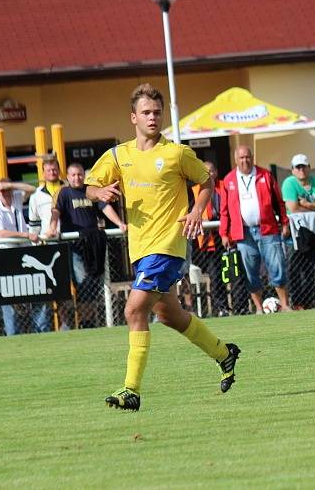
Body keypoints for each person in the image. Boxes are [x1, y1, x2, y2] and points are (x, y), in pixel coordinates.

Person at [85, 83, 240, 411]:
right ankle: (224, 354)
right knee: (169, 314)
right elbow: (90, 185)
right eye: (146, 112)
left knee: (133, 310)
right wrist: (98, 194)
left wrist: (197, 209)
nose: (152, 117)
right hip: (140, 249)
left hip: (168, 245)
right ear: (133, 117)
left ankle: (131, 390)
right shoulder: (119, 155)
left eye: (157, 112)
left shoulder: (176, 153)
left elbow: (206, 181)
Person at [46, 162, 126, 328]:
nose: (77, 178)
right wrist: (52, 227)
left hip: (93, 244)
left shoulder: (91, 191)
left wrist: (120, 223)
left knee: (93, 283)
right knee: (82, 283)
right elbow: (55, 212)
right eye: (73, 175)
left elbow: (105, 207)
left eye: (80, 174)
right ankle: (75, 322)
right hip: (75, 246)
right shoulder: (63, 193)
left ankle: (87, 322)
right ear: (67, 177)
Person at [219, 145, 291, 314]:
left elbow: (279, 202)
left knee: (277, 265)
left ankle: (285, 305)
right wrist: (224, 233)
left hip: (268, 229)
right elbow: (224, 211)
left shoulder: (265, 175)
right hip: (243, 234)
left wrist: (285, 222)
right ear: (236, 160)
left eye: (248, 157)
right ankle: (259, 309)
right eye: (242, 158)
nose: (245, 160)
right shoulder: (228, 180)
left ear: (252, 157)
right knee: (250, 272)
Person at [281, 154, 315, 310]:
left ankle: (308, 302)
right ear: (293, 170)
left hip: (312, 233)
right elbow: (293, 207)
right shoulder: (289, 183)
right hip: (295, 234)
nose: (301, 170)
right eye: (298, 167)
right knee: (294, 268)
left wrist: (307, 204)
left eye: (304, 166)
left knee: (309, 268)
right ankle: (297, 302)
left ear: (309, 167)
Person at [0, 178, 38, 335]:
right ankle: (13, 335)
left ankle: (38, 332)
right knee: (9, 300)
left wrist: (11, 185)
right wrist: (25, 234)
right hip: (7, 256)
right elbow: (1, 233)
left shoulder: (16, 196)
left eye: (7, 190)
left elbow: (32, 189)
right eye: (2, 190)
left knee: (33, 293)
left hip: (24, 253)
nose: (5, 193)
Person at [28, 156, 64, 332]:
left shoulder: (68, 189)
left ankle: (71, 324)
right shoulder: (36, 196)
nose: (52, 172)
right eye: (48, 169)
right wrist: (34, 245)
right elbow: (33, 224)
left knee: (72, 285)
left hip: (68, 244)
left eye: (55, 168)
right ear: (43, 172)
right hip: (45, 247)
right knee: (45, 287)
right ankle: (42, 329)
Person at [192, 161, 230, 316]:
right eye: (206, 171)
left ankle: (232, 306)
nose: (209, 174)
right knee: (214, 276)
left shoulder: (224, 187)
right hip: (207, 241)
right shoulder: (195, 190)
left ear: (217, 171)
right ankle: (219, 307)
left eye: (212, 171)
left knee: (228, 274)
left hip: (225, 237)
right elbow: (191, 210)